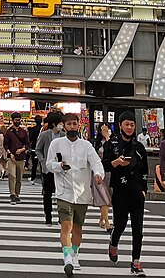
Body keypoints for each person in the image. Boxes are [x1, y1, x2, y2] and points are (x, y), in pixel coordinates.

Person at [45, 113, 106, 276]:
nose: (72, 127)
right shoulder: (56, 144)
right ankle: (67, 258)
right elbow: (49, 164)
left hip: (82, 192)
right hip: (63, 192)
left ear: (79, 125)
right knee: (66, 226)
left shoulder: (86, 146)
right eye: (69, 124)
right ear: (63, 126)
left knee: (78, 227)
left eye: (75, 124)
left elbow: (96, 162)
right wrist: (59, 166)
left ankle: (75, 253)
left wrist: (99, 174)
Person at [104, 111, 150, 276]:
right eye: (126, 124)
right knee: (120, 224)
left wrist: (144, 189)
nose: (130, 127)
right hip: (120, 191)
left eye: (132, 124)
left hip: (137, 191)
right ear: (120, 125)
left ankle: (136, 262)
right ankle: (113, 243)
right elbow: (104, 165)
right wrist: (115, 163)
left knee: (138, 229)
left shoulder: (139, 147)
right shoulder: (112, 144)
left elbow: (145, 169)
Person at [35, 110, 65, 224]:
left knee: (61, 193)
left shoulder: (63, 135)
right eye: (60, 123)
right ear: (54, 124)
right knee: (47, 194)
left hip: (60, 168)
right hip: (48, 169)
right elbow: (38, 149)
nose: (62, 126)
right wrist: (43, 161)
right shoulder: (45, 135)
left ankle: (61, 217)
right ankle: (48, 216)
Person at [3, 112, 31, 203]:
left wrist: (22, 149)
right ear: (12, 120)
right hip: (11, 157)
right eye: (16, 120)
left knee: (19, 177)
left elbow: (27, 144)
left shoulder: (23, 132)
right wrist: (9, 153)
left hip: (21, 157)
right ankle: (12, 194)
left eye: (19, 120)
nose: (17, 122)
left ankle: (17, 193)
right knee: (12, 175)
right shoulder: (9, 131)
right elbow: (5, 144)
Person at [27, 114, 42, 181]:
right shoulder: (43, 129)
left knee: (34, 164)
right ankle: (42, 177)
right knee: (42, 163)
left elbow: (30, 139)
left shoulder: (33, 129)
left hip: (34, 147)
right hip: (42, 148)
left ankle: (33, 177)